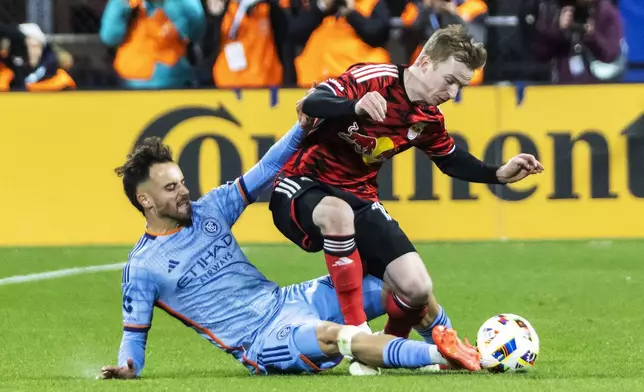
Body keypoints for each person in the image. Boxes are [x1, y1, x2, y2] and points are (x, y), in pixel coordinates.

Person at [98, 92, 480, 378]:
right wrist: (127, 368)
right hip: (262, 341)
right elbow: (134, 335)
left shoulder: (209, 209)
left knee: (401, 284)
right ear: (144, 199)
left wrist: (300, 130)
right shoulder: (143, 267)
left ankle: (447, 341)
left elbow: (264, 171)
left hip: (286, 300)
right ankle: (443, 358)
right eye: (170, 188)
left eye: (181, 182)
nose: (183, 191)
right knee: (337, 335)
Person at [269, 25, 544, 349]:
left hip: (359, 194)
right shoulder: (375, 78)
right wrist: (353, 107)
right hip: (302, 184)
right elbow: (313, 101)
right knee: (338, 213)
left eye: (460, 86)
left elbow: (450, 159)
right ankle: (357, 336)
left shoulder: (427, 118)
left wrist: (498, 174)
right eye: (451, 80)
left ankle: (386, 349)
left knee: (416, 287)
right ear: (425, 62)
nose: (453, 93)